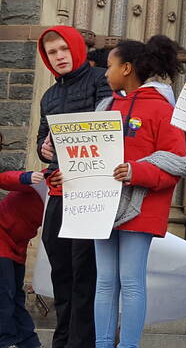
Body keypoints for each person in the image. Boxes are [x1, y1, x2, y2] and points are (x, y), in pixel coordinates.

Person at [75, 35, 186, 348]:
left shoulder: (163, 110)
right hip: (102, 207)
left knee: (130, 282)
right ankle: (102, 344)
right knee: (104, 282)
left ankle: (128, 346)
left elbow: (178, 164)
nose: (104, 73)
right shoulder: (106, 106)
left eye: (110, 66)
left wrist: (136, 171)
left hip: (141, 209)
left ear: (126, 68)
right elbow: (89, 157)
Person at [36, 25, 111, 348]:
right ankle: (63, 339)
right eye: (52, 53)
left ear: (77, 48)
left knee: (85, 274)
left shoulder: (101, 80)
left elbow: (109, 126)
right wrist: (44, 148)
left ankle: (81, 342)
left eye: (64, 49)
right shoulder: (48, 95)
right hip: (57, 191)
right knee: (60, 270)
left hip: (91, 192)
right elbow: (43, 137)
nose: (59, 57)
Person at [0, 168, 45, 348]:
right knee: (4, 293)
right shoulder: (44, 179)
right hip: (2, 235)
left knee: (16, 295)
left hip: (19, 244)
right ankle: (6, 340)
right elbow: (4, 179)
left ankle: (29, 341)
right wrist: (26, 177)